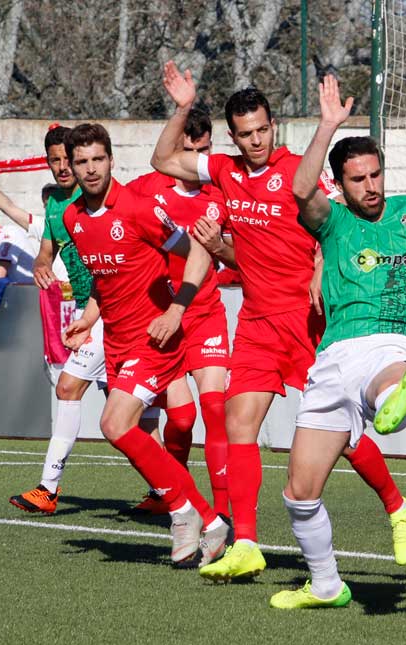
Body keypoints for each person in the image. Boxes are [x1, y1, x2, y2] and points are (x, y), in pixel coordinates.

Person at [152, 62, 406, 582]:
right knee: (238, 424)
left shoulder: (301, 169)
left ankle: (396, 504)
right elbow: (163, 158)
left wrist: (322, 268)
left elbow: (335, 224)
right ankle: (247, 541)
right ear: (232, 136)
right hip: (255, 320)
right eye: (245, 133)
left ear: (274, 125)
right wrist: (183, 107)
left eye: (262, 130)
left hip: (308, 321)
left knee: (342, 433)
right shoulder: (224, 172)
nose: (255, 140)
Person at [266, 75, 406, 609]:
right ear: (340, 185)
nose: (371, 186)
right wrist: (326, 126)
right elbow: (300, 191)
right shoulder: (333, 221)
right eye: (358, 179)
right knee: (299, 493)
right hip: (330, 358)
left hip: (391, 340)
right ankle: (326, 586)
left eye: (376, 175)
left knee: (387, 378)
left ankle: (398, 398)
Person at [60, 122, 230, 565]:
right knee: (137, 437)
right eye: (81, 162)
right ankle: (211, 522)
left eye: (98, 159)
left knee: (114, 425)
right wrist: (87, 319)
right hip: (116, 340)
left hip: (153, 338)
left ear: (112, 160)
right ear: (71, 168)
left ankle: (181, 513)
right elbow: (105, 279)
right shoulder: (72, 218)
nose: (91, 168)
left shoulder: (139, 207)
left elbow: (195, 250)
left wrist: (177, 309)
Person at [126, 107, 235, 519]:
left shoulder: (221, 195)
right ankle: (170, 489)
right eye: (187, 149)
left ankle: (222, 511)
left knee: (214, 410)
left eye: (202, 149)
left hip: (205, 312)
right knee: (183, 420)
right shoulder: (143, 190)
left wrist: (222, 249)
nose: (194, 158)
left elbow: (243, 255)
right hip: (160, 316)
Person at [11, 125, 98, 515]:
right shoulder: (55, 206)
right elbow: (46, 251)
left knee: (68, 389)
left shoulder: (97, 197)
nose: (63, 167)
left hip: (110, 310)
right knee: (131, 412)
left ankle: (48, 487)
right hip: (89, 309)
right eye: (55, 160)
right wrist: (41, 265)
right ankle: (167, 490)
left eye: (69, 159)